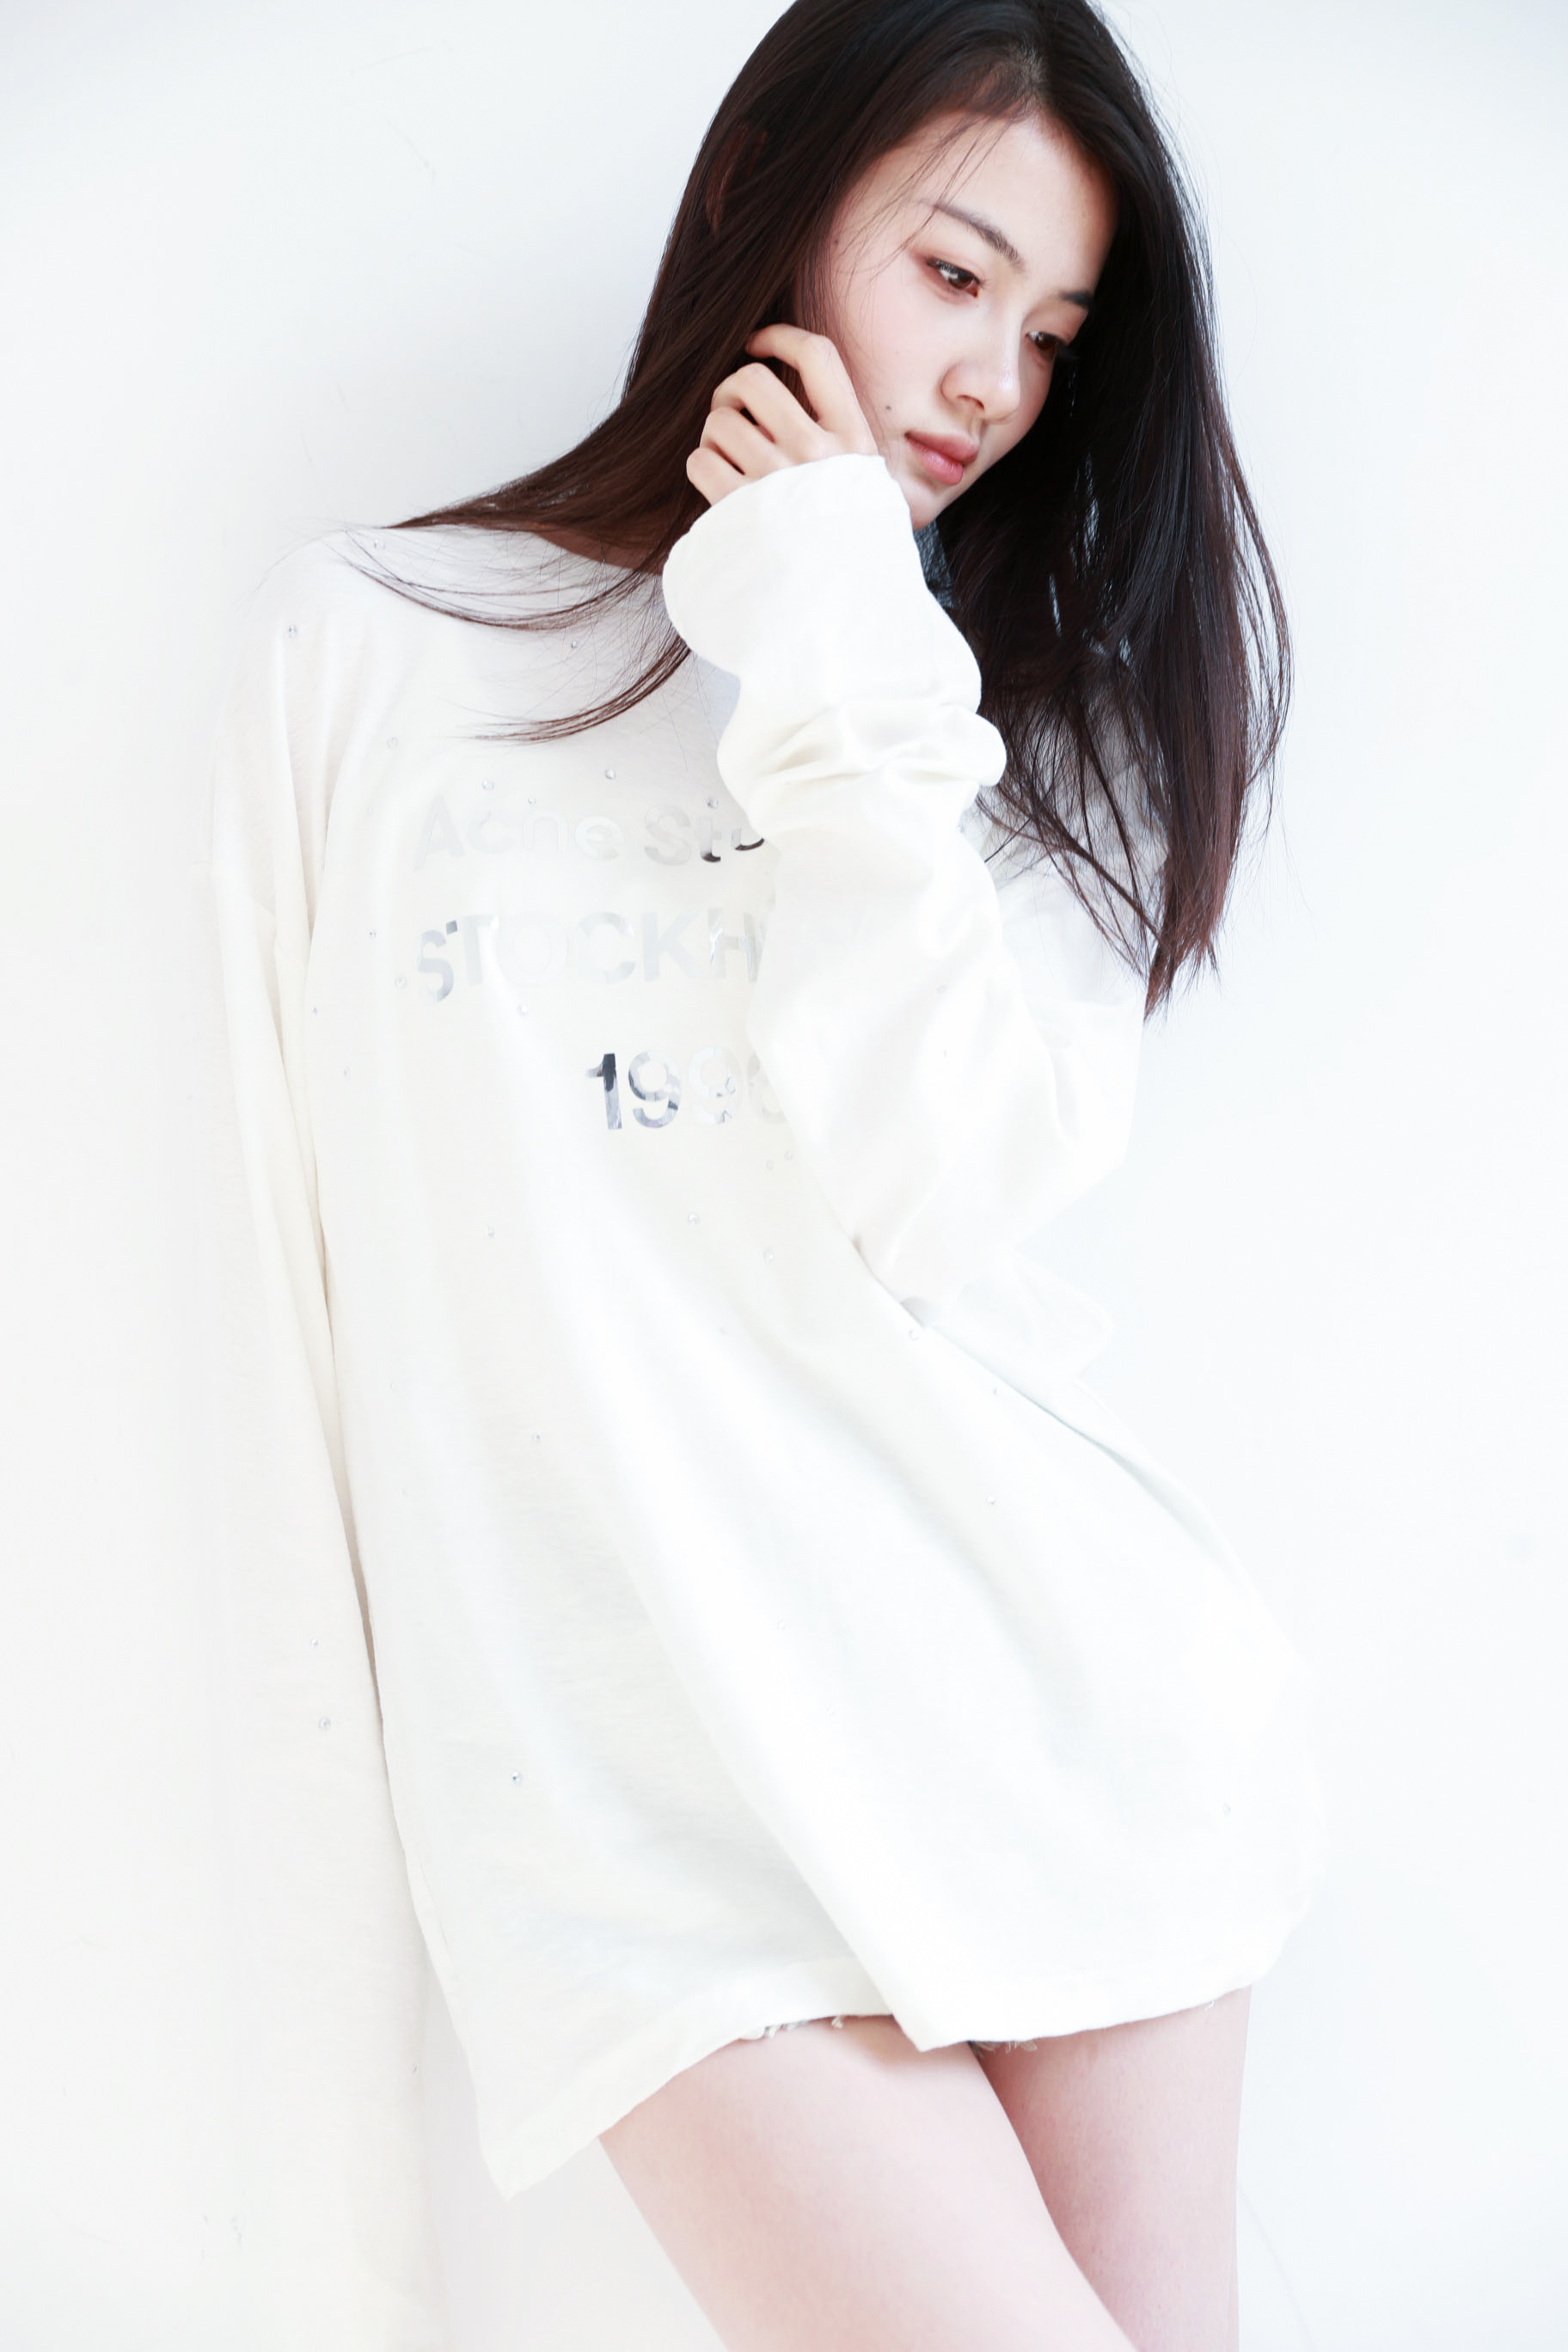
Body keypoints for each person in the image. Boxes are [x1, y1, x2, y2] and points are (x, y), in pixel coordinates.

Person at [209, 1, 1328, 2345]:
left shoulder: (987, 716)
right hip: (642, 1841)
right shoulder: (383, 648)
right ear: (768, 205)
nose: (994, 383)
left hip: (1052, 1731)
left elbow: (940, 1194)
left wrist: (835, 636)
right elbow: (287, 1325)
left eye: (1053, 332)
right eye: (953, 273)